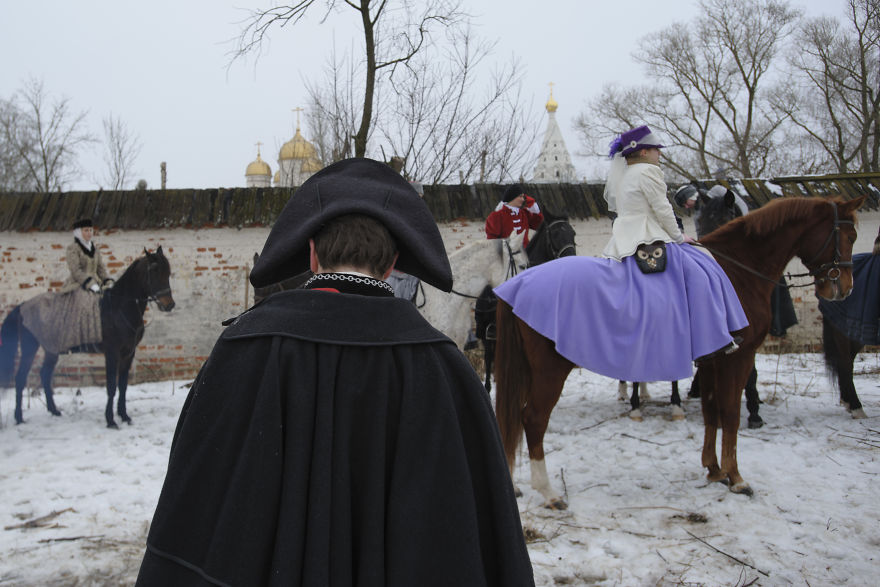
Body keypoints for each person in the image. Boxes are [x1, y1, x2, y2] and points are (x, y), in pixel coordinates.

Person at [135, 158, 535, 587]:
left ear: (311, 252)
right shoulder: (445, 369)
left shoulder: (240, 351)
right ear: (393, 262)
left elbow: (192, 514)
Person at [493, 126, 749, 383]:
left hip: (625, 238)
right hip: (650, 234)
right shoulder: (649, 171)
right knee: (699, 269)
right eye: (656, 150)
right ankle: (712, 339)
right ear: (644, 151)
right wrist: (679, 237)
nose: (659, 154)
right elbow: (662, 209)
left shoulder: (625, 175)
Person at [17, 218, 112, 355]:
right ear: (79, 232)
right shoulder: (73, 249)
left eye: (91, 230)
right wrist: (90, 284)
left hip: (96, 284)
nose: (89, 233)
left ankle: (101, 339)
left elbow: (101, 269)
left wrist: (108, 281)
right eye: (86, 230)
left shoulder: (94, 249)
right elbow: (76, 270)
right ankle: (76, 342)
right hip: (78, 284)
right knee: (83, 303)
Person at [385, 179, 424, 302]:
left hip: (412, 273)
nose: (418, 200)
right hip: (394, 271)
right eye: (416, 196)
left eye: (420, 197)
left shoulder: (420, 217)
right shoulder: (394, 215)